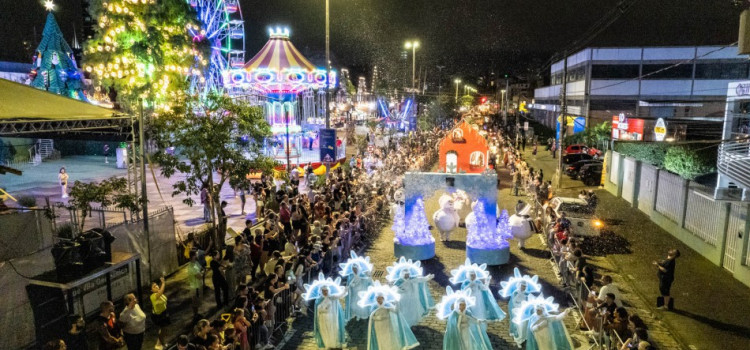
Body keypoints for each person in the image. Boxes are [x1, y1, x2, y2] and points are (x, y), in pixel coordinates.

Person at [150, 277, 169, 350]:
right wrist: (163, 283)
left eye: (157, 285)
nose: (157, 286)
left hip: (164, 313)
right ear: (151, 290)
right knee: (163, 329)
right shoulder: (153, 296)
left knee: (164, 329)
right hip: (158, 315)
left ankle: (161, 342)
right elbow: (160, 292)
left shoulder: (160, 293)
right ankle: (161, 343)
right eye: (154, 286)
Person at [188, 250, 205, 319]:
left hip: (198, 285)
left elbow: (201, 268)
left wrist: (202, 271)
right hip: (195, 287)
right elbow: (199, 276)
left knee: (198, 301)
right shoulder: (191, 266)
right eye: (196, 254)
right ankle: (195, 315)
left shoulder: (196, 262)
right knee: (195, 301)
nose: (197, 255)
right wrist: (203, 272)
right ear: (193, 256)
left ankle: (197, 313)